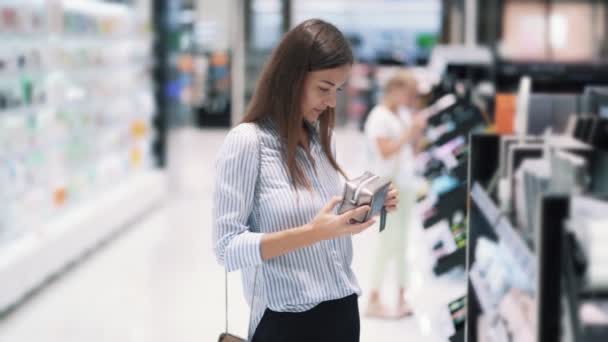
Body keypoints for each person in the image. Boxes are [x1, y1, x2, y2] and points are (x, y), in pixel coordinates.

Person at [212, 19, 400, 342]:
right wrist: (312, 233)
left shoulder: (321, 139)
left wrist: (361, 203)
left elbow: (322, 212)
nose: (330, 103)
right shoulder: (248, 142)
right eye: (323, 88)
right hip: (287, 322)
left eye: (337, 90)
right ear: (291, 79)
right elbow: (227, 249)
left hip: (342, 312)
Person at [363, 71, 427, 319]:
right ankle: (374, 298)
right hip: (387, 186)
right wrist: (409, 131)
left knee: (401, 244)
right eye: (408, 93)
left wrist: (416, 131)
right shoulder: (378, 117)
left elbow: (411, 147)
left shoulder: (400, 114)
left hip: (405, 184)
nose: (410, 99)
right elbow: (386, 151)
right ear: (395, 89)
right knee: (387, 242)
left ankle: (401, 297)